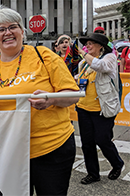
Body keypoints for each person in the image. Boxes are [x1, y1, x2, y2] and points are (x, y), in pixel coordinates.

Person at [0, 6, 79, 195]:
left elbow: (73, 95)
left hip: (51, 148)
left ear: (22, 31)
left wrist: (50, 100)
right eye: (0, 29)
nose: (7, 32)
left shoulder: (44, 56)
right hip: (8, 151)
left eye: (13, 27)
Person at [76, 33, 124, 184]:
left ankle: (117, 164)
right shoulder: (83, 63)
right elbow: (80, 79)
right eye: (86, 44)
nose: (87, 46)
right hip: (83, 108)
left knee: (103, 140)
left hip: (102, 109)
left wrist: (83, 53)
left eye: (91, 43)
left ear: (100, 47)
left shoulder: (108, 58)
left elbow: (100, 66)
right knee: (87, 143)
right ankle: (93, 174)